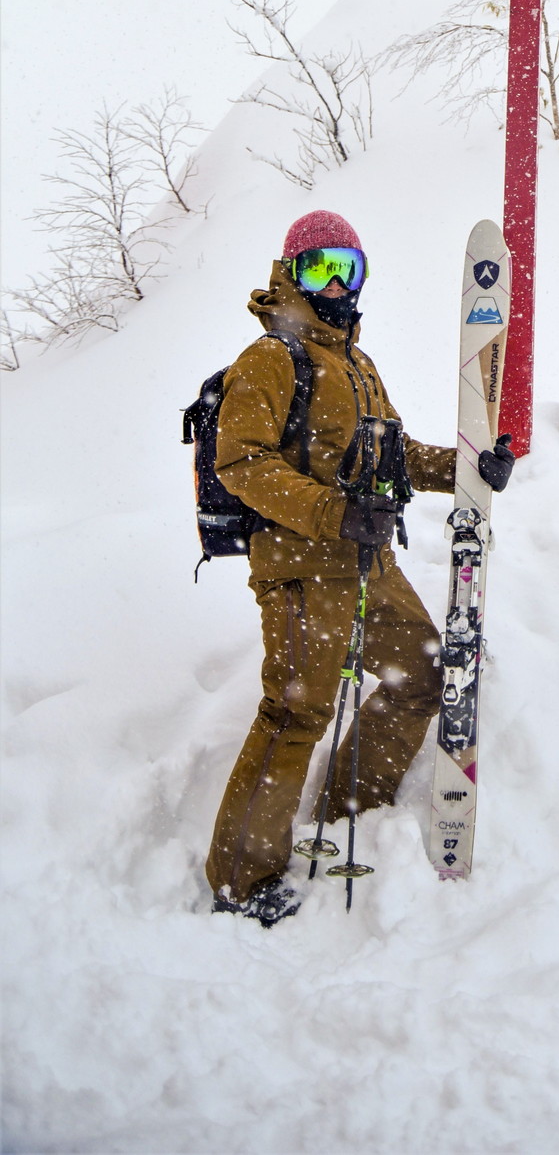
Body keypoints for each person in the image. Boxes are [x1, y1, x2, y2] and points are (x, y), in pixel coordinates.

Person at [205, 209, 514, 926]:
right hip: (303, 566)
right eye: (319, 268)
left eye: (349, 266)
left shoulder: (356, 365)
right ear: (290, 274)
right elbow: (241, 460)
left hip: (365, 563)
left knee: (424, 672)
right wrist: (331, 513)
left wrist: (472, 467)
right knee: (294, 714)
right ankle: (241, 879)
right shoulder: (271, 358)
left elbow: (392, 455)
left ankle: (347, 808)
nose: (337, 283)